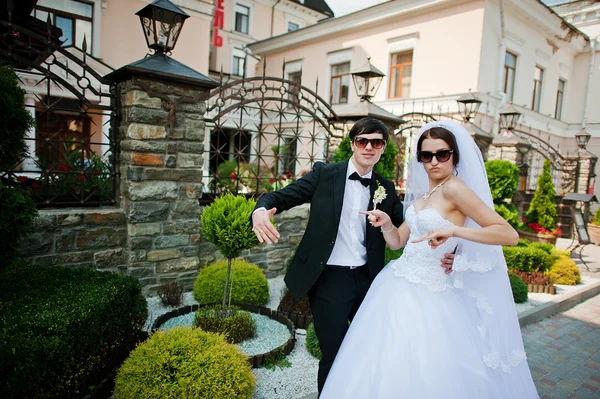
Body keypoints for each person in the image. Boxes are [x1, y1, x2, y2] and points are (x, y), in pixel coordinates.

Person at [320, 120, 539, 398]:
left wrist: (455, 231)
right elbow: (399, 242)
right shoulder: (425, 194)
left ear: (454, 155)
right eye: (426, 155)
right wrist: (387, 223)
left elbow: (508, 234)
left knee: (426, 368)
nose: (434, 161)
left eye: (442, 154)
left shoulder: (455, 189)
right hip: (397, 285)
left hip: (431, 295)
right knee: (385, 364)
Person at [251, 117, 455, 395]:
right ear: (352, 144)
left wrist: (454, 251)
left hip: (370, 281)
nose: (369, 147)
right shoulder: (324, 175)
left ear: (383, 148)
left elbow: (415, 224)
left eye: (376, 142)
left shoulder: (385, 187)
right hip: (329, 280)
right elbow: (279, 197)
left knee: (371, 351)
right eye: (363, 141)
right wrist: (260, 211)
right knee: (334, 355)